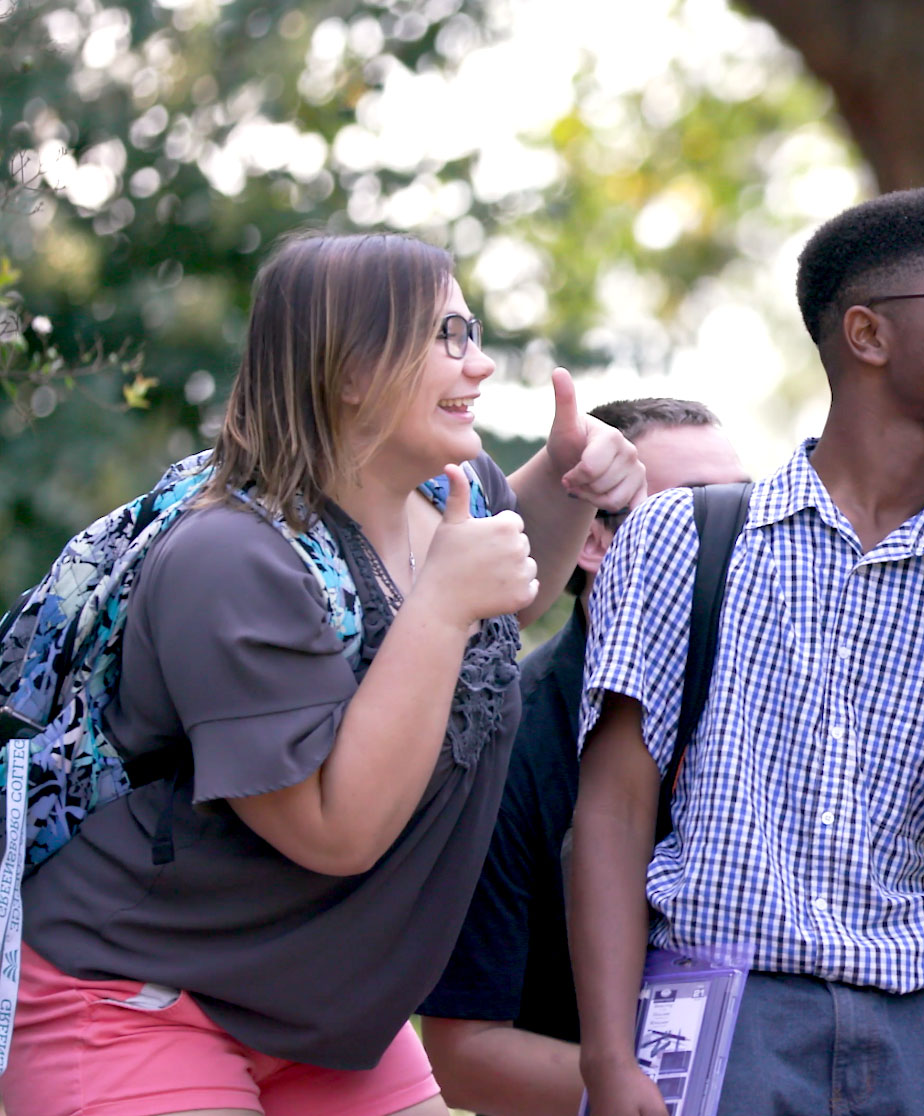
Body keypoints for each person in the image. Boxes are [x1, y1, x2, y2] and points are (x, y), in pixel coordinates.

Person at [0, 230, 645, 1116]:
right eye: (446, 336)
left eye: (473, 331)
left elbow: (501, 592)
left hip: (315, 1015)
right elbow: (334, 831)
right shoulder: (231, 560)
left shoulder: (445, 493)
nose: (483, 364)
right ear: (347, 369)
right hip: (137, 990)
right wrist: (442, 607)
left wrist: (573, 478)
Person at [569, 185, 924, 1116]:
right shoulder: (687, 535)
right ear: (868, 335)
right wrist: (607, 1057)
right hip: (728, 1010)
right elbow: (612, 809)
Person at [418, 398, 748, 1116]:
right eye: (697, 507)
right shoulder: (505, 739)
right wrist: (697, 1093)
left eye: (747, 502)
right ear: (597, 542)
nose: (740, 531)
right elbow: (464, 1057)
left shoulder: (789, 698)